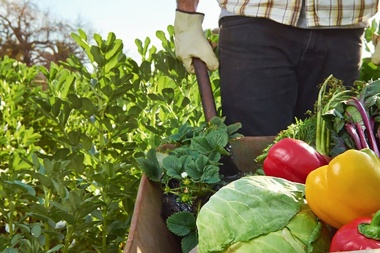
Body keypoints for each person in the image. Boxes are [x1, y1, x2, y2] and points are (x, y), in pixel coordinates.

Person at [174, 0, 380, 137]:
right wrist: (187, 17)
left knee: (333, 155)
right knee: (253, 169)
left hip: (344, 26)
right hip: (253, 20)